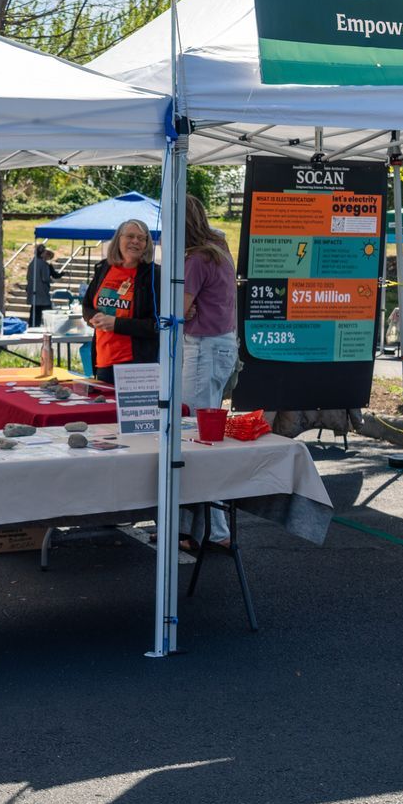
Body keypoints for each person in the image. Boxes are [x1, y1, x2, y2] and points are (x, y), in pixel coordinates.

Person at [181, 195, 238, 546]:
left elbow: (178, 309)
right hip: (219, 345)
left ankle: (213, 530)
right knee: (205, 435)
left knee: (196, 437)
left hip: (202, 348)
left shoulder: (196, 259)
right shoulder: (218, 247)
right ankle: (203, 529)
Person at [82, 217, 159, 385]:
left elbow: (157, 325)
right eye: (130, 236)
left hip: (136, 366)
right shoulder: (104, 269)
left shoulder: (154, 276)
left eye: (141, 238)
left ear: (147, 244)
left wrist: (116, 324)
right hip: (103, 361)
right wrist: (94, 318)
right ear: (118, 239)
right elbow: (87, 306)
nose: (135, 241)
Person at [27, 244, 63, 327]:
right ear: (43, 254)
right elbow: (45, 278)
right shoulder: (43, 264)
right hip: (41, 292)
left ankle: (33, 326)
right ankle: (53, 326)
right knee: (48, 311)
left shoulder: (32, 263)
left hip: (33, 291)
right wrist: (52, 280)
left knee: (35, 311)